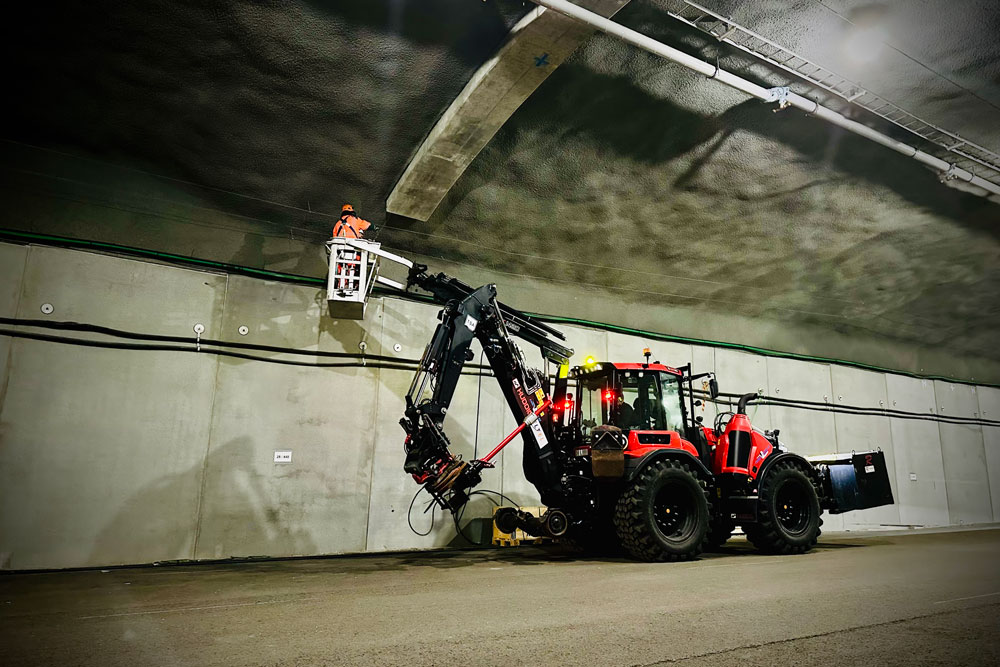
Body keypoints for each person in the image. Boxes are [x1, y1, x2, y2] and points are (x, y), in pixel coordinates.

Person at [331, 204, 372, 292]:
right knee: (355, 266)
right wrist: (374, 227)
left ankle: (341, 284)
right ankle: (353, 285)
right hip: (353, 249)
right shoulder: (355, 220)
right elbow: (366, 225)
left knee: (341, 267)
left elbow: (334, 237)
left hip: (341, 251)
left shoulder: (337, 224)